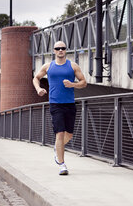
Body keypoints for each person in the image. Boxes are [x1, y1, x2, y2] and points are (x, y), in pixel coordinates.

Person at [33, 41, 87, 175]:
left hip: (69, 103)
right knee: (60, 133)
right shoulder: (48, 66)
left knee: (69, 134)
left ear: (65, 50)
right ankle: (62, 164)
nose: (60, 50)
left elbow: (84, 82)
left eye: (63, 48)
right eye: (58, 48)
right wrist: (38, 88)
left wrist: (73, 84)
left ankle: (57, 149)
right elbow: (36, 78)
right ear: (54, 50)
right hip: (55, 104)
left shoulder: (72, 66)